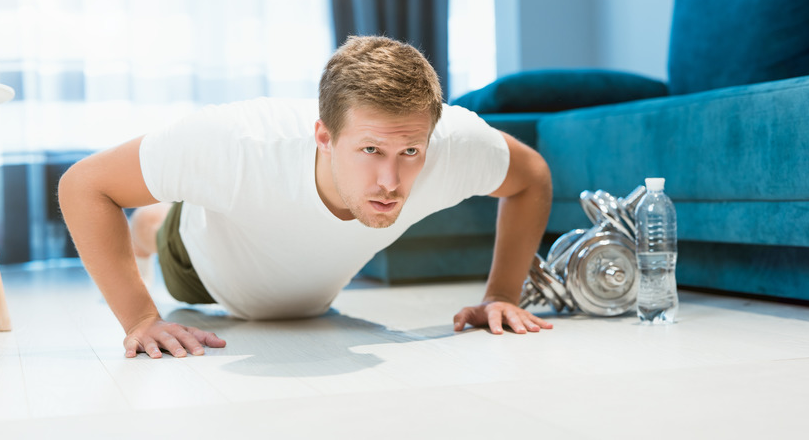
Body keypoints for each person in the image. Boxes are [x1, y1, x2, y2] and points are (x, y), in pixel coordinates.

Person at [58, 35, 554, 359]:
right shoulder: (237, 143)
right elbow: (84, 185)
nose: (390, 180)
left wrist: (502, 294)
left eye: (409, 150)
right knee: (159, 227)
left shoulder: (453, 145)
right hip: (203, 269)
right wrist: (142, 319)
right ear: (323, 136)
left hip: (311, 289)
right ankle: (156, 221)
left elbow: (531, 176)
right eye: (369, 149)